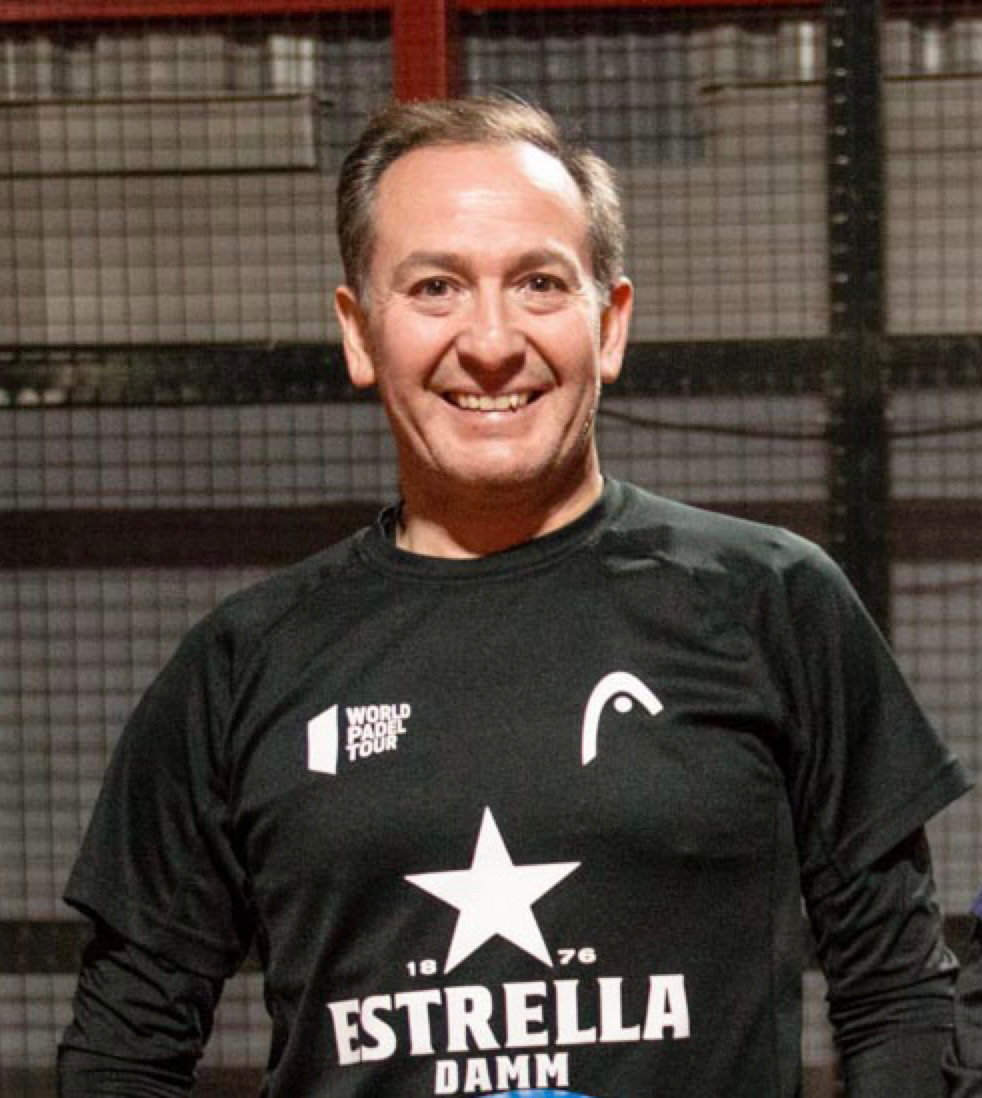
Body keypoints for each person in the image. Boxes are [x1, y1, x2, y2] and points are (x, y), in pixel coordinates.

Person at [58, 95, 970, 1098]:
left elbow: (897, 995)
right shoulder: (242, 666)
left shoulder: (771, 603)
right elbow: (125, 1046)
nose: (490, 341)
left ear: (609, 323)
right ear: (359, 333)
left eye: (539, 283)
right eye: (435, 288)